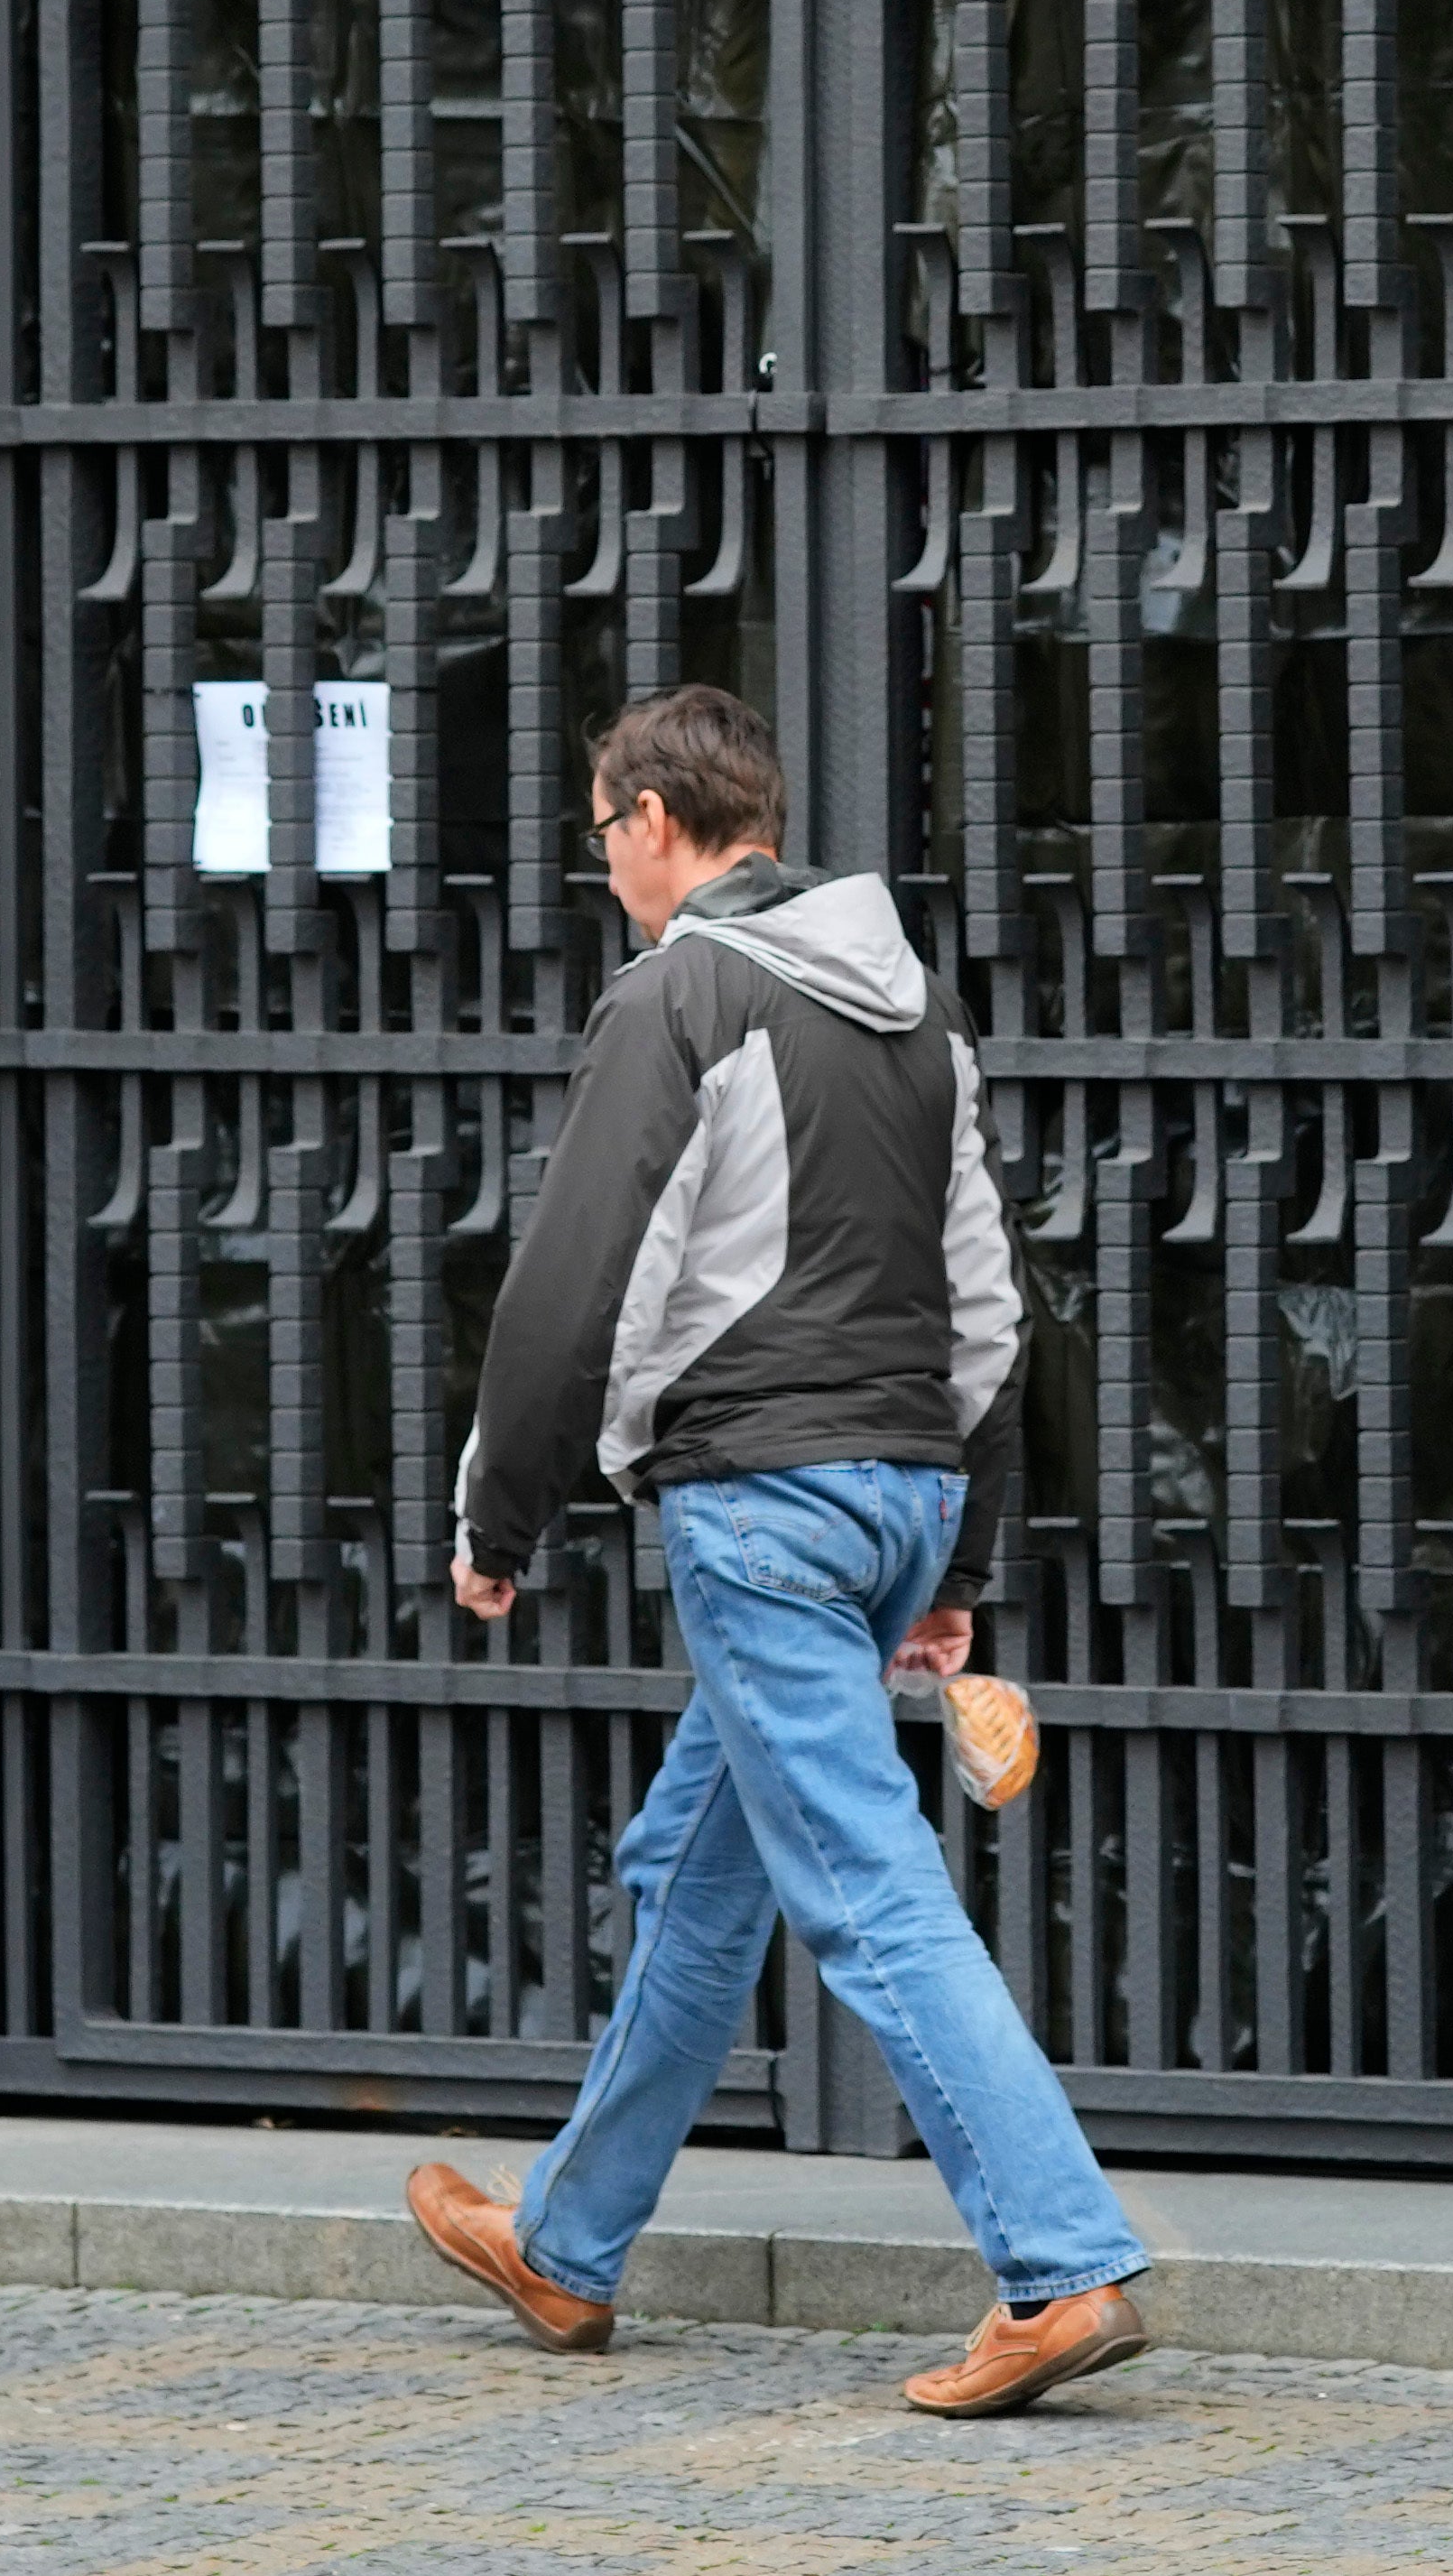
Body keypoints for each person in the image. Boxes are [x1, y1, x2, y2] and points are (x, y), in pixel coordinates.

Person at [403, 686, 1152, 2420]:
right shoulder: (921, 1014)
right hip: (894, 1495)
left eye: (602, 837)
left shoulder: (683, 996)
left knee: (864, 1886)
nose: (603, 873)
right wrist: (963, 1547)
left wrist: (495, 1512)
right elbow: (994, 1310)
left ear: (656, 819)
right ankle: (570, 2248)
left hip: (761, 1500)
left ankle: (1062, 2259)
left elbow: (573, 1275)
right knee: (705, 1864)